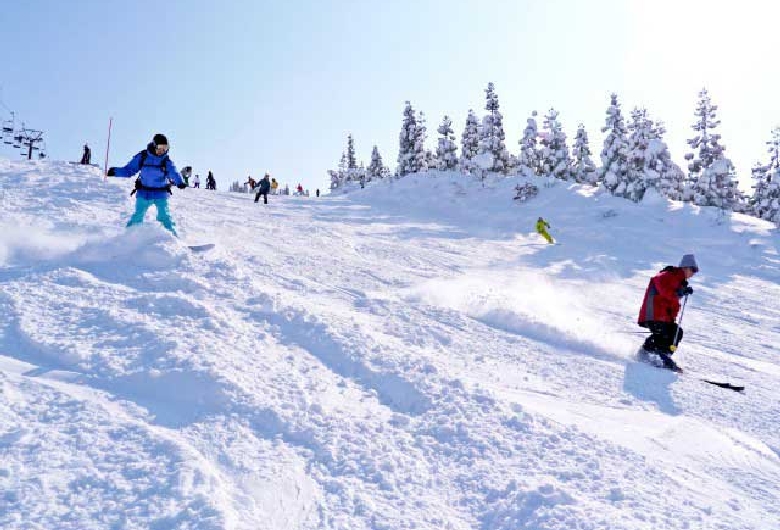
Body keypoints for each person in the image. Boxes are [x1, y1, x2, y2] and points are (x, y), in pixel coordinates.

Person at [107, 133, 185, 236]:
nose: (163, 150)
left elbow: (173, 172)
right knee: (138, 216)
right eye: (160, 147)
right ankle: (127, 237)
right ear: (154, 145)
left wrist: (179, 182)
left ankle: (174, 240)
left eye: (165, 148)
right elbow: (129, 170)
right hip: (144, 192)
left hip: (160, 193)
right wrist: (115, 172)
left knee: (164, 216)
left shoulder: (166, 161)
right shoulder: (143, 156)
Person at [637, 254, 698, 372]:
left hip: (664, 317)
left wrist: (672, 316)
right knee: (662, 333)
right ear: (685, 267)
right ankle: (650, 354)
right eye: (693, 269)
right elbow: (662, 287)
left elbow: (673, 303)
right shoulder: (667, 274)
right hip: (653, 313)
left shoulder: (679, 282)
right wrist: (679, 292)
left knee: (676, 332)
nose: (693, 273)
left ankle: (663, 355)